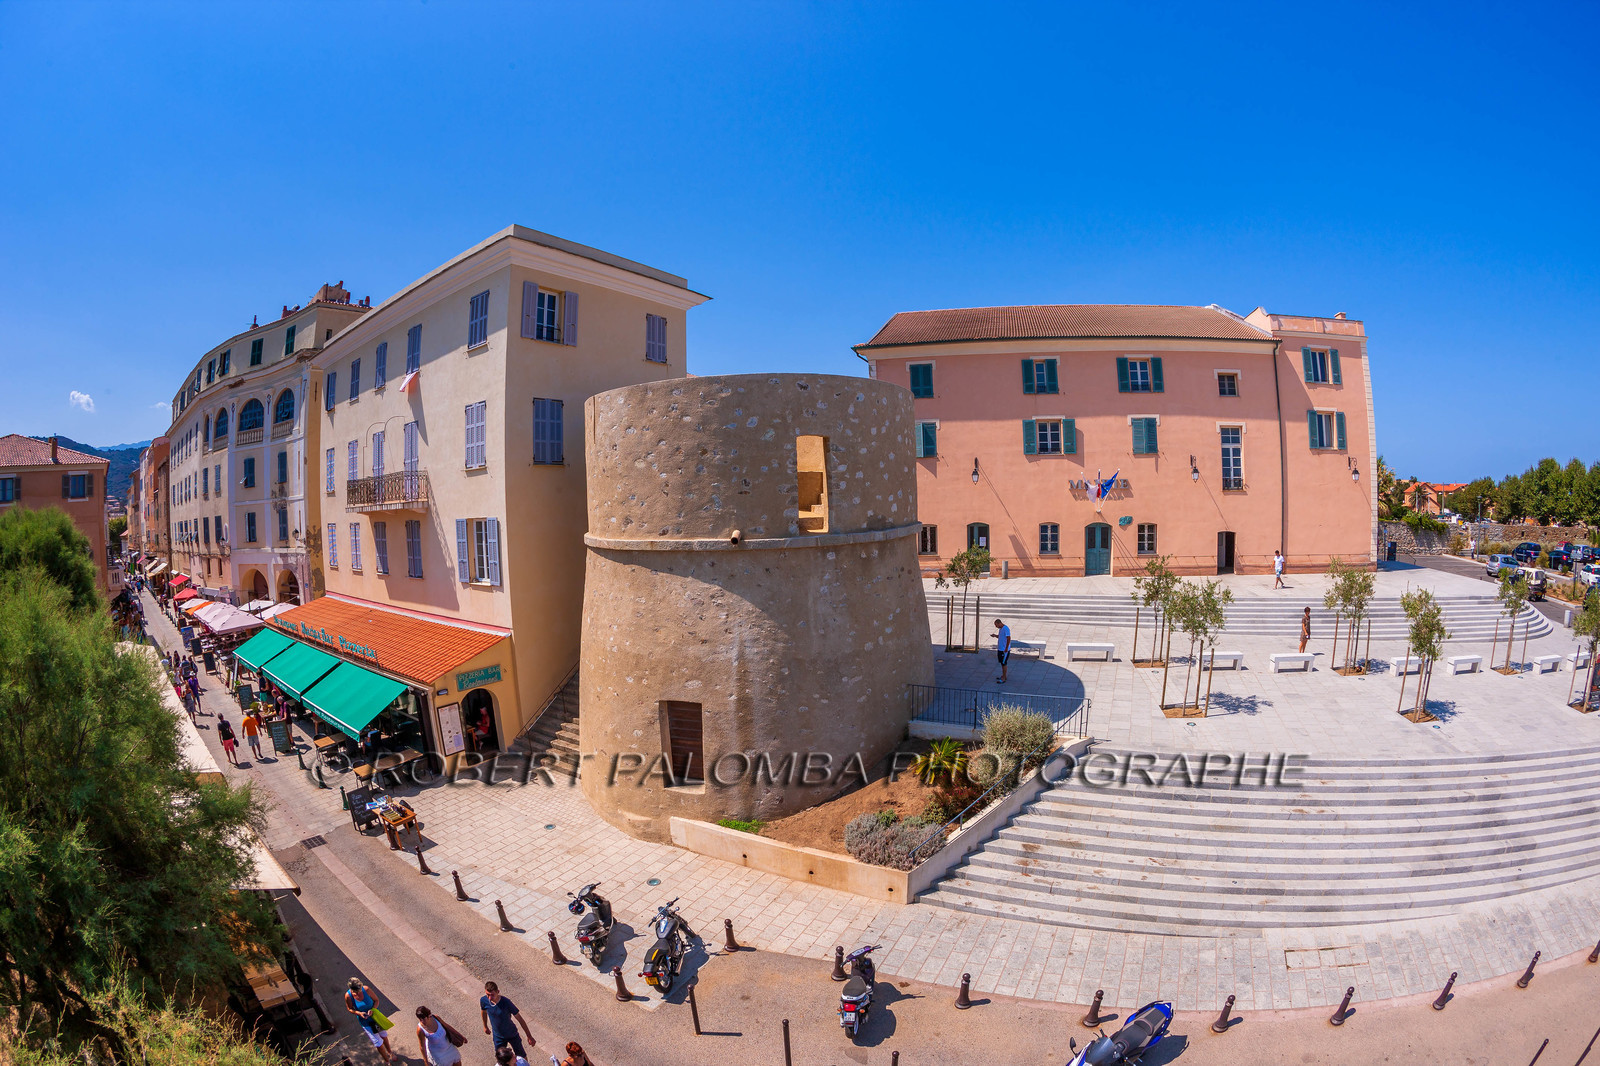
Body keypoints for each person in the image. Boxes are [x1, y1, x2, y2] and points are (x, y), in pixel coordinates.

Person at [344, 978, 395, 1064]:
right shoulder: (348, 996)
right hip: (366, 1023)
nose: (359, 992)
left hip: (376, 1019)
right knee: (378, 1043)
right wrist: (359, 1013)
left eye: (360, 990)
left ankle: (390, 1052)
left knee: (383, 1035)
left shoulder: (366, 989)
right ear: (351, 989)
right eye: (356, 992)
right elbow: (349, 1008)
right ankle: (387, 1061)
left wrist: (373, 1009)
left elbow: (376, 1000)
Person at [480, 981, 535, 1060]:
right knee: (500, 1058)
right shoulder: (484, 1001)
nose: (489, 998)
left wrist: (529, 1036)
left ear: (498, 992)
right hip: (498, 1036)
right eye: (487, 994)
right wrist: (485, 1026)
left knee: (521, 1056)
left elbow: (520, 1019)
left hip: (512, 1034)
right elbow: (483, 1012)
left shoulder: (506, 1002)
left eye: (492, 995)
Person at [994, 617, 1012, 684]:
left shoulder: (1006, 628)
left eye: (996, 625)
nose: (996, 627)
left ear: (999, 623)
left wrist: (1006, 648)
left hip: (1004, 650)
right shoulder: (1001, 629)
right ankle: (1003, 675)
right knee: (1002, 663)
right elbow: (1001, 636)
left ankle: (1004, 678)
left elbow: (1008, 638)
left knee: (1004, 663)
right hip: (1000, 649)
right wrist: (995, 636)